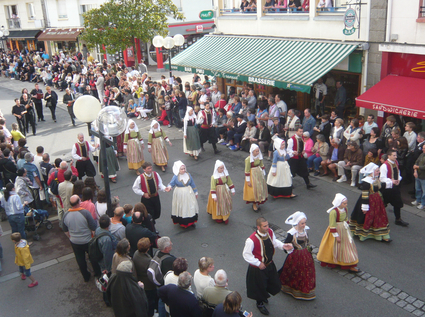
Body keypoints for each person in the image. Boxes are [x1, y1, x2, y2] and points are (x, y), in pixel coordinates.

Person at [243, 217, 284, 315]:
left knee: (272, 281)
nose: (267, 227)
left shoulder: (270, 232)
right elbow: (246, 254)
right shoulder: (251, 240)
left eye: (267, 225)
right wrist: (258, 263)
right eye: (265, 226)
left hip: (269, 264)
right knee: (259, 287)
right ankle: (259, 303)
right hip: (258, 268)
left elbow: (274, 242)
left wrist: (283, 246)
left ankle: (264, 296)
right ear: (258, 227)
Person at [316, 194, 360, 273]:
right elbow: (332, 225)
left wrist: (347, 226)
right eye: (344, 203)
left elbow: (346, 219)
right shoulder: (333, 212)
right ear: (339, 203)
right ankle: (333, 261)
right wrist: (336, 236)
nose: (346, 205)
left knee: (347, 246)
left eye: (346, 203)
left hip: (344, 229)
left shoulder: (345, 209)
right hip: (336, 230)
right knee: (334, 246)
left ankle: (350, 264)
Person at [62, 195, 101, 281]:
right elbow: (93, 227)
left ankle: (86, 276)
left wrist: (70, 237)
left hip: (74, 241)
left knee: (80, 259)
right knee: (93, 257)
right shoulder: (85, 213)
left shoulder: (65, 215)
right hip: (87, 240)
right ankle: (97, 273)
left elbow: (65, 230)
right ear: (79, 202)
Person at [350, 163, 391, 242]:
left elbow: (380, 187)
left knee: (378, 217)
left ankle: (381, 234)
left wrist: (390, 183)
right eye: (377, 171)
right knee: (367, 217)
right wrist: (365, 207)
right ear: (371, 172)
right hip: (368, 201)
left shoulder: (375, 179)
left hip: (377, 201)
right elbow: (365, 195)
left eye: (378, 170)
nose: (378, 172)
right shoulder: (366, 182)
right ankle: (363, 233)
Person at [278, 211, 315, 300]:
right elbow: (285, 246)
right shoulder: (292, 233)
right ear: (297, 223)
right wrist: (290, 249)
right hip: (295, 255)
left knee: (306, 273)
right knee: (294, 272)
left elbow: (307, 241)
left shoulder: (305, 230)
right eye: (302, 223)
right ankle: (292, 289)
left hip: (306, 255)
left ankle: (305, 290)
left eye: (305, 223)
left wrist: (309, 248)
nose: (304, 225)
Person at [165, 161, 199, 228]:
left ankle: (191, 221)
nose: (183, 170)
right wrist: (169, 187)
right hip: (180, 194)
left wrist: (195, 192)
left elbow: (192, 183)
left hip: (189, 193)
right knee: (182, 207)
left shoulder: (188, 174)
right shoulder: (176, 176)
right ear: (178, 170)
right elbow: (171, 184)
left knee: (190, 206)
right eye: (182, 169)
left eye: (184, 168)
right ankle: (183, 222)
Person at [380, 150, 409, 227]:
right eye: (394, 155)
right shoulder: (384, 166)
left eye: (396, 155)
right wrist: (391, 181)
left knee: (397, 203)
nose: (395, 157)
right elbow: (382, 178)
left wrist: (399, 179)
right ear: (388, 156)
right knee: (383, 204)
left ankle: (398, 219)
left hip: (395, 188)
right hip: (387, 189)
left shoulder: (396, 163)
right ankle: (379, 219)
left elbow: (398, 172)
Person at [133, 238, 158, 317]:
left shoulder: (136, 253)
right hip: (148, 284)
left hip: (140, 280)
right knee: (150, 300)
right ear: (147, 249)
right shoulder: (148, 260)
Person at [243, 144, 268, 212]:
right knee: (254, 189)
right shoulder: (248, 159)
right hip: (252, 175)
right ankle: (254, 204)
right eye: (256, 151)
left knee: (260, 188)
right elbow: (247, 170)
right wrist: (248, 181)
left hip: (259, 174)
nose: (258, 152)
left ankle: (258, 200)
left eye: (258, 151)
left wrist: (263, 174)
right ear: (252, 151)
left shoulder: (259, 157)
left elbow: (262, 165)